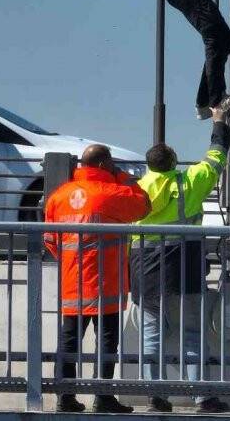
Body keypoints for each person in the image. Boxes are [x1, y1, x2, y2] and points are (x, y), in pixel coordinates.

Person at [129, 95, 230, 414]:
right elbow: (217, 157)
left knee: (151, 336)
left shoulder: (136, 189)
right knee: (191, 334)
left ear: (149, 165)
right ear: (173, 162)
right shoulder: (190, 182)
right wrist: (219, 121)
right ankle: (202, 398)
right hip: (183, 266)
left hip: (145, 272)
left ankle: (156, 396)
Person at [44, 143, 151, 414]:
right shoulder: (113, 192)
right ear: (105, 165)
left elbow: (50, 240)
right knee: (106, 341)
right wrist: (123, 177)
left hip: (72, 282)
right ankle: (102, 397)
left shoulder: (59, 195)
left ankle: (65, 397)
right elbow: (144, 205)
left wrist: (71, 263)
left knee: (69, 341)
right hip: (107, 283)